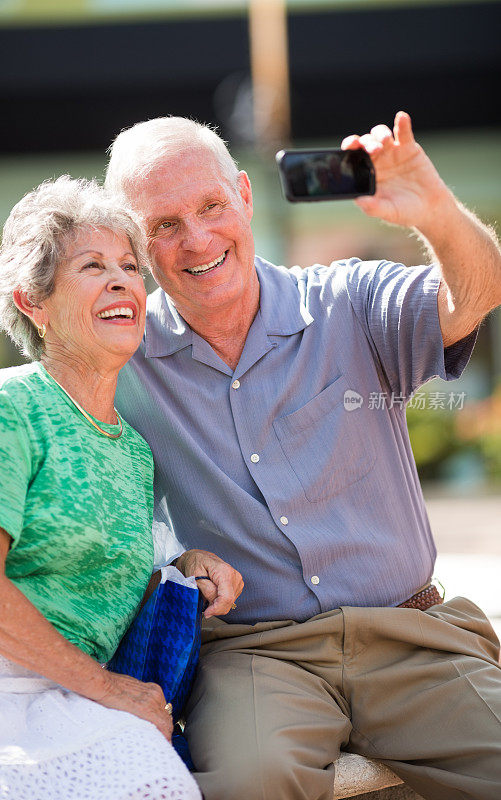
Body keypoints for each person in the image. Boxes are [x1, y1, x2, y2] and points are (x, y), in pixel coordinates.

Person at [106, 112, 501, 800]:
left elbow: (476, 293)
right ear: (133, 243)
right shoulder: (120, 360)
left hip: (412, 634)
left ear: (244, 197)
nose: (196, 238)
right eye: (162, 225)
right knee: (245, 783)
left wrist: (434, 212)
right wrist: (169, 560)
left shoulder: (347, 300)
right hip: (258, 656)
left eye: (209, 206)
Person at [0, 175, 243, 800]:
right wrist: (109, 689)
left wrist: (180, 566)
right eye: (92, 266)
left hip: (80, 702)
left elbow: (93, 576)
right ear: (32, 302)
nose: (123, 280)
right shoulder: (4, 404)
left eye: (128, 266)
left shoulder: (134, 450)